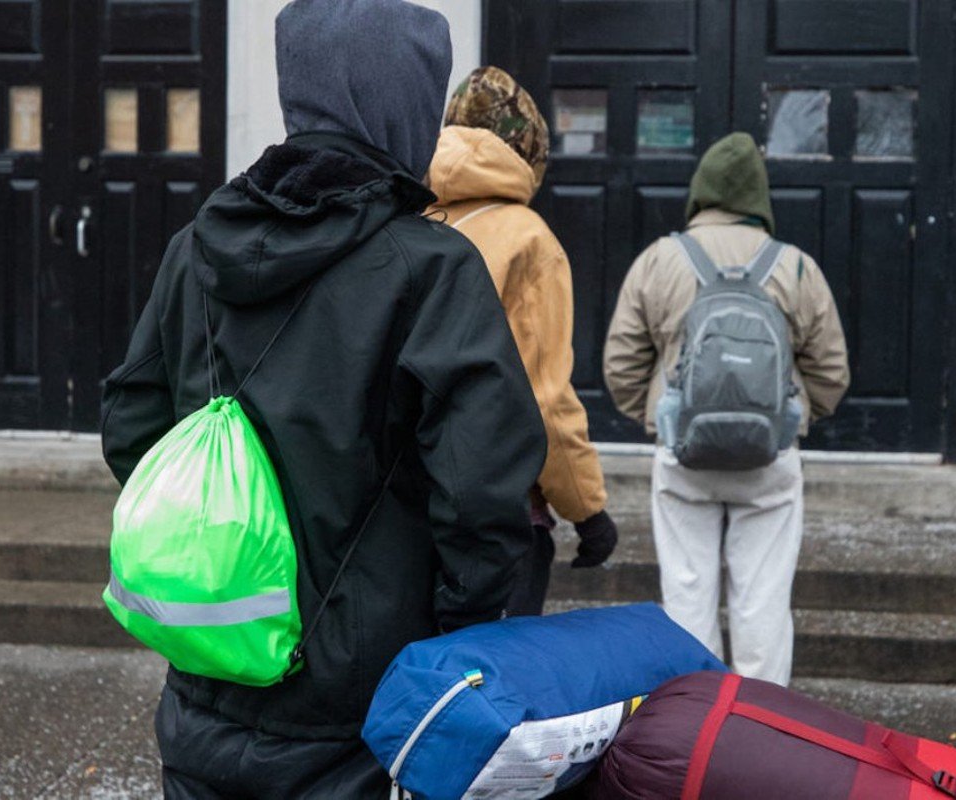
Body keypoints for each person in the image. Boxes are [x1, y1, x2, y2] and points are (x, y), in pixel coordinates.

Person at [100, 2, 546, 797]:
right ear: (403, 102)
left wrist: (225, 553)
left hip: (209, 669)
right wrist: (453, 643)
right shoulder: (431, 270)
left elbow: (132, 426)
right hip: (361, 708)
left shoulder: (196, 245)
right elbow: (482, 497)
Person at [603, 132, 849, 685]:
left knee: (687, 594)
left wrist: (658, 419)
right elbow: (832, 373)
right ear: (759, 199)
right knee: (762, 600)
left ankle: (695, 721)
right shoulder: (795, 267)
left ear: (700, 194)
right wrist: (794, 419)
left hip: (683, 456)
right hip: (768, 458)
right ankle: (759, 730)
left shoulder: (658, 261)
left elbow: (621, 365)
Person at [426, 66, 618, 616]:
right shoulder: (527, 239)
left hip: (404, 505)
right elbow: (542, 398)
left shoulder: (406, 216)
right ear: (527, 150)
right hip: (498, 510)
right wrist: (586, 509)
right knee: (493, 682)